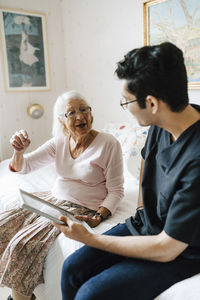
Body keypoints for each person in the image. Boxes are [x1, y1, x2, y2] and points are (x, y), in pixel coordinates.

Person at [54, 42, 200, 300]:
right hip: (147, 226)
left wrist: (90, 238)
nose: (125, 106)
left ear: (152, 103)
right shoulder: (162, 121)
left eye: (126, 101)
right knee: (71, 269)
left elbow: (167, 248)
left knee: (90, 294)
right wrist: (143, 208)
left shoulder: (196, 158)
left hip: (183, 249)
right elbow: (147, 159)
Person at [0, 90, 124, 300]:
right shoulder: (60, 141)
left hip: (82, 206)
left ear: (91, 114)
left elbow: (117, 190)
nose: (80, 116)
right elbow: (24, 167)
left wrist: (99, 216)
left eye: (84, 109)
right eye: (71, 112)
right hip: (51, 199)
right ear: (62, 121)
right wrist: (19, 151)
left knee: (22, 243)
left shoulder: (108, 144)